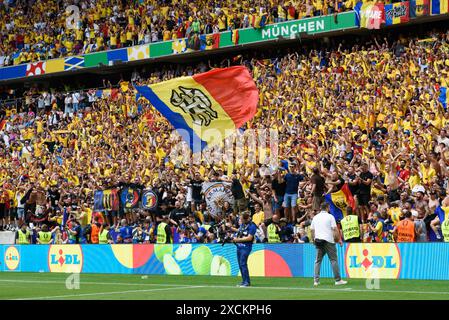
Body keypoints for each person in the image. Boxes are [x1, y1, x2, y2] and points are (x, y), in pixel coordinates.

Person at [310, 202, 347, 286]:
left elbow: (312, 230)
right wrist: (339, 240)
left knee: (317, 261)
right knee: (333, 260)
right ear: (327, 207)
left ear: (320, 208)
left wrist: (313, 239)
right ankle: (338, 280)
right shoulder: (330, 216)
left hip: (318, 241)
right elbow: (334, 229)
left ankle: (316, 281)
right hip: (329, 241)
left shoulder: (315, 217)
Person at [232, 212, 257, 287]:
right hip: (239, 247)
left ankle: (247, 282)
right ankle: (244, 281)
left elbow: (249, 238)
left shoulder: (252, 226)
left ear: (245, 219)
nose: (240, 220)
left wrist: (237, 240)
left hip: (246, 247)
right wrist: (231, 229)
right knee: (240, 264)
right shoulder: (243, 224)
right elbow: (240, 231)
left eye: (241, 218)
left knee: (243, 263)